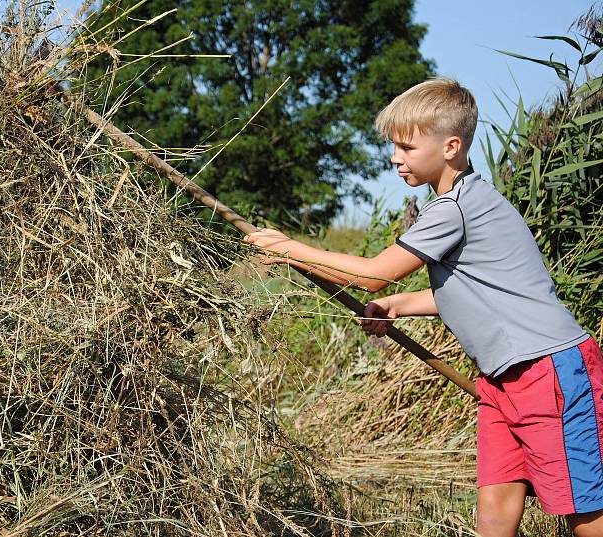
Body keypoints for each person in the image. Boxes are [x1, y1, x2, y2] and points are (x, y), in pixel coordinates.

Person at [244, 78, 603, 537]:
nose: (396, 157)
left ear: (451, 146)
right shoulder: (464, 199)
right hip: (501, 379)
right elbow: (473, 292)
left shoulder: (455, 207)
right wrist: (397, 304)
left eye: (407, 147)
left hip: (547, 372)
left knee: (584, 511)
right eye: (394, 146)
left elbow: (372, 273)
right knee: (494, 513)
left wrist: (290, 248)